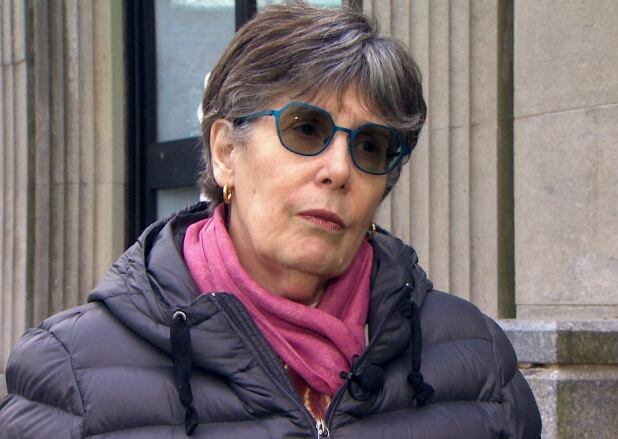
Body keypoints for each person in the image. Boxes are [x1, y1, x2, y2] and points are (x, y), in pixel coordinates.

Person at [0, 2, 541, 438]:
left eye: (370, 146)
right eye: (306, 130)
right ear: (224, 153)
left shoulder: (477, 363)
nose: (339, 169)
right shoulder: (71, 374)